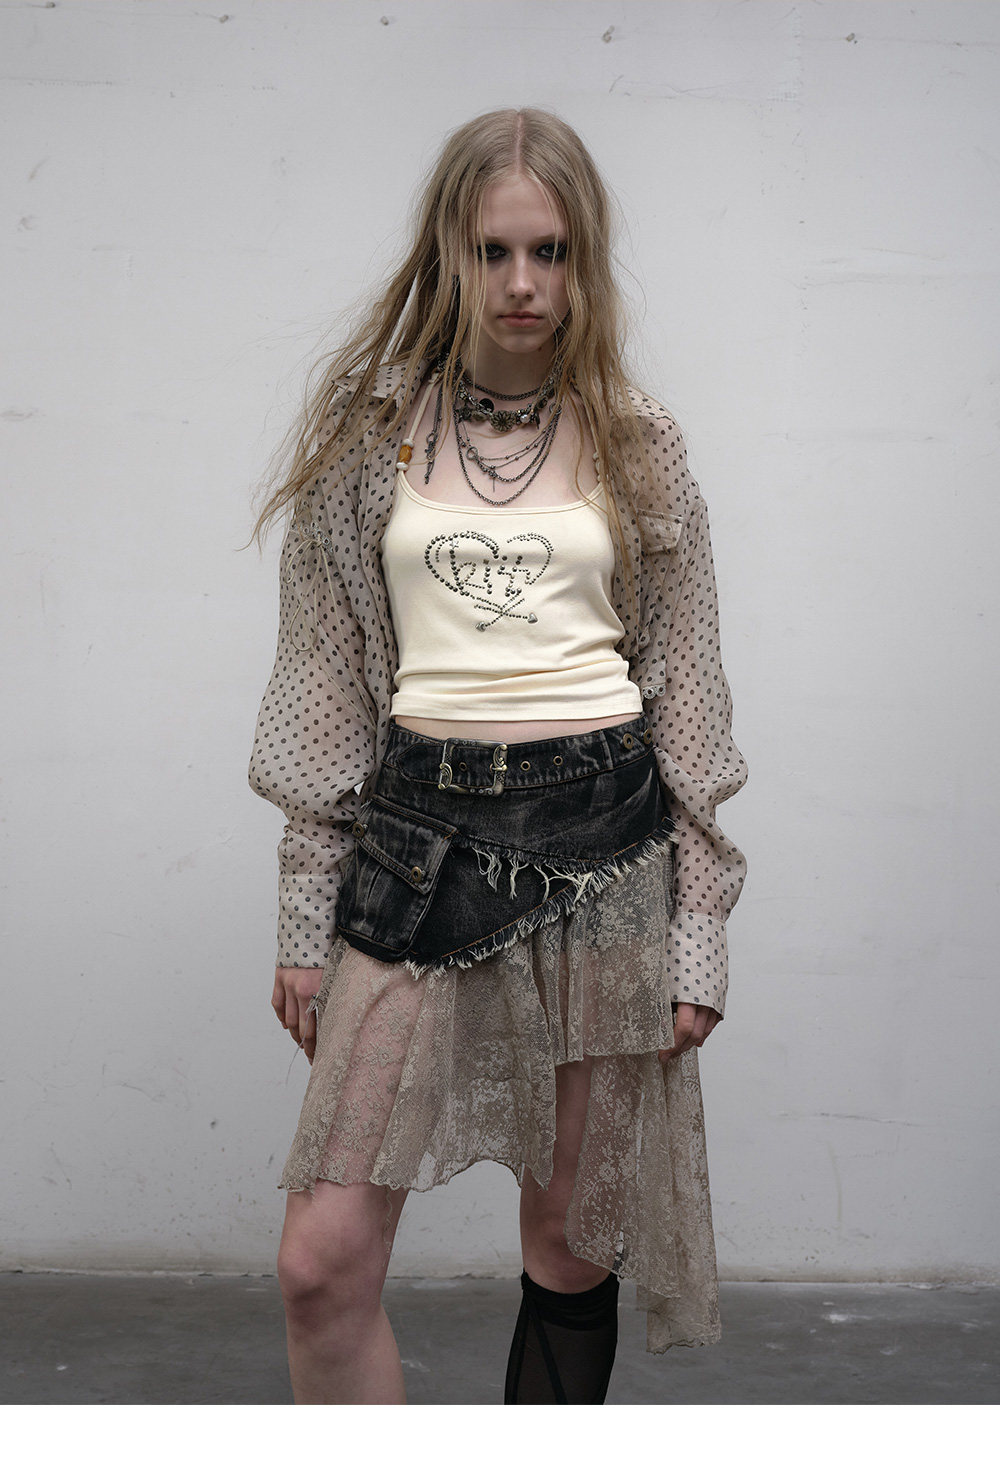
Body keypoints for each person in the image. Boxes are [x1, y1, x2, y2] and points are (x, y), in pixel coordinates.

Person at [246, 107, 748, 1405]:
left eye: (551, 251)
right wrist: (306, 910)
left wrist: (700, 930)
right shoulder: (373, 435)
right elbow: (322, 686)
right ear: (448, 256)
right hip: (417, 849)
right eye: (493, 251)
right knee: (320, 1262)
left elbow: (686, 685)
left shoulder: (640, 440)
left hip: (610, 856)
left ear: (584, 263)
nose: (523, 282)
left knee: (571, 1248)